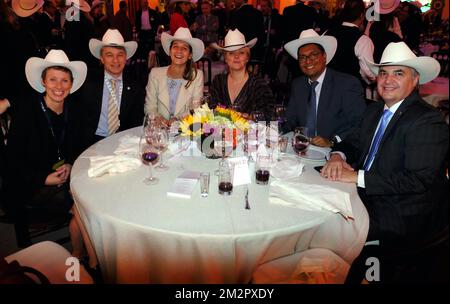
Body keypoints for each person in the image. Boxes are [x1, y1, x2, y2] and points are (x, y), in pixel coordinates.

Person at [321, 42, 448, 281]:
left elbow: (417, 180)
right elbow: (351, 142)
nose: (388, 80)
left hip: (401, 215)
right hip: (367, 196)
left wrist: (357, 177)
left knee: (329, 230)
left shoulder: (427, 120)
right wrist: (338, 156)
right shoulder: (375, 111)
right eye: (383, 73)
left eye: (398, 73)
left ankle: (359, 275)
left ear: (415, 80)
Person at [4, 50, 87, 255]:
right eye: (52, 80)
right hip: (29, 183)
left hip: (64, 175)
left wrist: (70, 164)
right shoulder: (26, 112)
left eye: (64, 81)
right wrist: (43, 178)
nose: (58, 87)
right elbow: (11, 161)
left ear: (71, 83)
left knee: (94, 194)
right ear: (43, 82)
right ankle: (80, 260)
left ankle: (81, 260)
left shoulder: (74, 109)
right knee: (84, 208)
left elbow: (79, 146)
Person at [283, 29, 366, 147]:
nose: (308, 61)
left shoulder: (346, 84)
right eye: (302, 57)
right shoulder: (298, 85)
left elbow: (360, 124)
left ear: (324, 56)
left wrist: (332, 141)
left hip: (336, 152)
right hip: (303, 148)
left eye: (314, 55)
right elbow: (289, 121)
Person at [75, 29, 145, 149]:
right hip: (92, 144)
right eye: (109, 55)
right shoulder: (87, 84)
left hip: (124, 143)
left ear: (126, 58)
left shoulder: (135, 86)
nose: (115, 60)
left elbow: (136, 122)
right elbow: (78, 122)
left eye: (120, 55)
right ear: (101, 59)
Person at [144, 27, 204, 126]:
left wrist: (177, 120)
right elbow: (149, 107)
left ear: (190, 55)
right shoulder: (155, 74)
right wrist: (159, 119)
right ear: (170, 50)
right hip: (158, 130)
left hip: (184, 131)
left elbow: (196, 109)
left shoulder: (197, 76)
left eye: (184, 48)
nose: (179, 51)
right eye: (175, 46)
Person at [209, 29, 274, 118]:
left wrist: (250, 117)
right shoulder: (218, 81)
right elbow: (209, 109)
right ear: (225, 58)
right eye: (231, 53)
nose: (236, 56)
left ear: (247, 57)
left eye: (241, 52)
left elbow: (270, 114)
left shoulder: (258, 84)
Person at [326, 0, 376, 86]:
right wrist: (375, 80)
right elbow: (368, 72)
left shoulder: (328, 33)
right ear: (362, 16)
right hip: (350, 89)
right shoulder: (363, 40)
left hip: (327, 85)